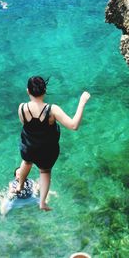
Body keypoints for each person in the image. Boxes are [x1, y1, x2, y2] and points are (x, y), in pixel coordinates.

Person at [16, 76, 90, 211]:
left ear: (28, 91)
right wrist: (82, 102)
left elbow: (25, 125)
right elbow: (74, 126)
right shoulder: (52, 110)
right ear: (45, 91)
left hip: (29, 147)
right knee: (44, 172)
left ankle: (20, 186)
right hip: (46, 150)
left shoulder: (22, 108)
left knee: (26, 162)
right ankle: (42, 202)